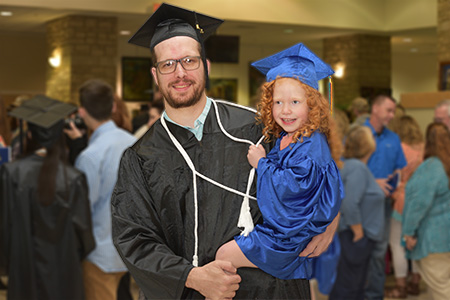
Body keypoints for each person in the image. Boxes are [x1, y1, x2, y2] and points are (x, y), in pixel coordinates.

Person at [111, 3, 338, 300]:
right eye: (168, 64)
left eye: (189, 61)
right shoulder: (140, 158)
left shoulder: (259, 128)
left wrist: (330, 220)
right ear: (156, 75)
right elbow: (134, 238)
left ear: (206, 66)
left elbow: (312, 171)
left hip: (269, 291)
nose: (180, 73)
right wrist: (191, 277)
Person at [215, 42, 344, 281]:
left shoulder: (312, 146)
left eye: (295, 102)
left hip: (289, 237)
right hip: (285, 232)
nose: (285, 110)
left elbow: (293, 190)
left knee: (224, 255)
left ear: (312, 105)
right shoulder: (289, 137)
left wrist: (261, 163)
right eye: (277, 102)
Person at [0, 95, 95, 300]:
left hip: (23, 269)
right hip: (64, 271)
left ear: (30, 134)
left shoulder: (11, 173)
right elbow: (84, 234)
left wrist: (9, 265)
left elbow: (5, 227)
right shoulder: (73, 178)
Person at [75, 79, 136, 300]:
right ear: (112, 107)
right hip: (131, 249)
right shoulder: (135, 143)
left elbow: (83, 209)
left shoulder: (90, 156)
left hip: (100, 252)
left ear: (82, 112)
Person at [329, 126, 385, 300]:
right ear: (365, 144)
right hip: (356, 236)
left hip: (358, 235)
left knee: (356, 283)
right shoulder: (357, 168)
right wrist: (358, 231)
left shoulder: (356, 167)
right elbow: (350, 202)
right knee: (349, 285)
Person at [363, 94, 407, 300]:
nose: (392, 115)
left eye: (393, 111)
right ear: (375, 109)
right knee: (357, 254)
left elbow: (400, 169)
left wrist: (396, 183)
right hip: (359, 205)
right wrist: (373, 182)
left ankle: (374, 296)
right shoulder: (358, 134)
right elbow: (343, 169)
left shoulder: (393, 138)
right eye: (389, 110)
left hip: (383, 205)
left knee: (379, 254)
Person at [402, 122, 450, 300]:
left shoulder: (432, 167)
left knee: (441, 289)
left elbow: (418, 205)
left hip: (434, 240)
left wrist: (408, 233)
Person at [385, 115, 424, 298]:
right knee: (415, 243)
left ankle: (400, 285)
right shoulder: (424, 148)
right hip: (422, 201)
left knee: (397, 244)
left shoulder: (399, 149)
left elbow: (393, 178)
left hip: (402, 201)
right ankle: (415, 282)